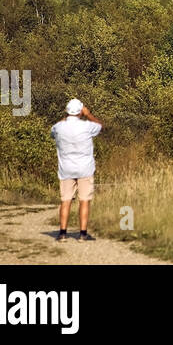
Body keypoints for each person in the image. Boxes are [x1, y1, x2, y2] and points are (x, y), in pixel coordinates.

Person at [50, 98, 104, 242]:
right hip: (84, 168)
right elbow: (99, 126)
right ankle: (82, 234)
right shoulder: (87, 127)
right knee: (84, 201)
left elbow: (54, 130)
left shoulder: (58, 127)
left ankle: (62, 233)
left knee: (65, 200)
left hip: (66, 169)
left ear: (67, 112)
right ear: (81, 111)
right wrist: (88, 114)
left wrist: (66, 117)